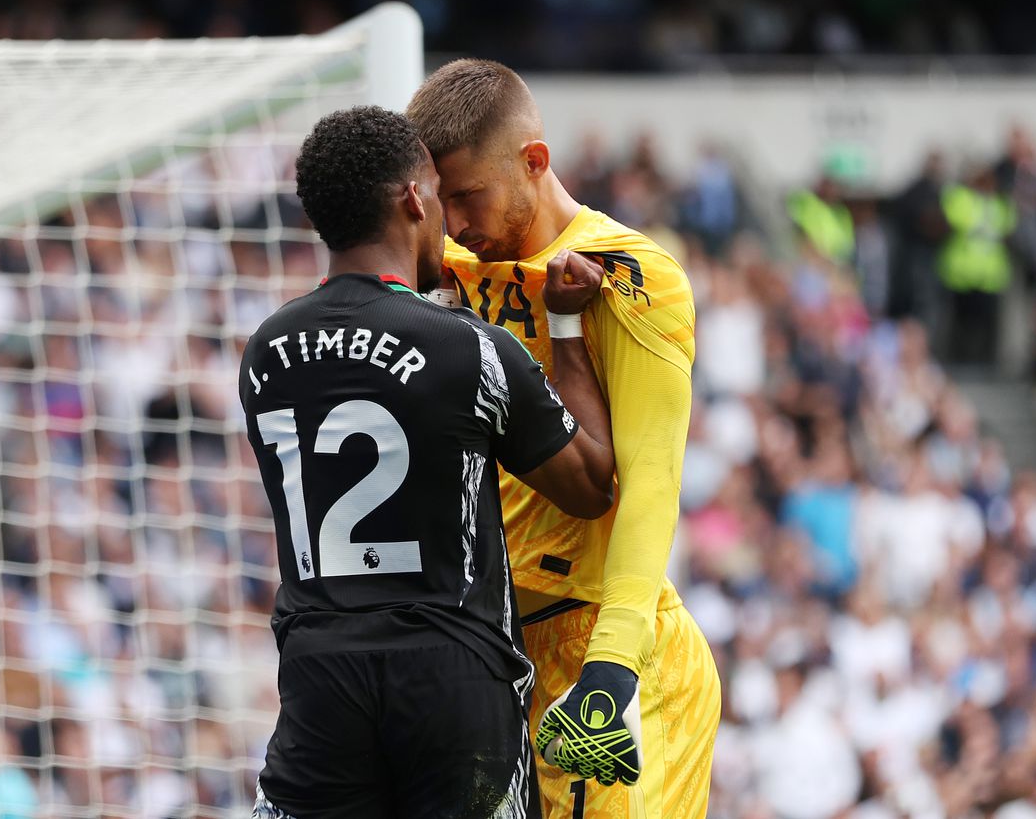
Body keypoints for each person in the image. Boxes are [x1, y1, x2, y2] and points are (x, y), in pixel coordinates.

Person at [240, 105, 618, 819]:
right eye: (438, 196)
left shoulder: (266, 351)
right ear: (414, 198)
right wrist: (565, 326)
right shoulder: (466, 347)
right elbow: (593, 483)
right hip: (451, 678)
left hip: (321, 676)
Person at [408, 61, 721, 819]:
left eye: (468, 195)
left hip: (602, 657)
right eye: (438, 200)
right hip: (493, 657)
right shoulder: (439, 272)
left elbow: (649, 481)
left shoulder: (628, 274)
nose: (454, 220)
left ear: (534, 162)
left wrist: (611, 668)